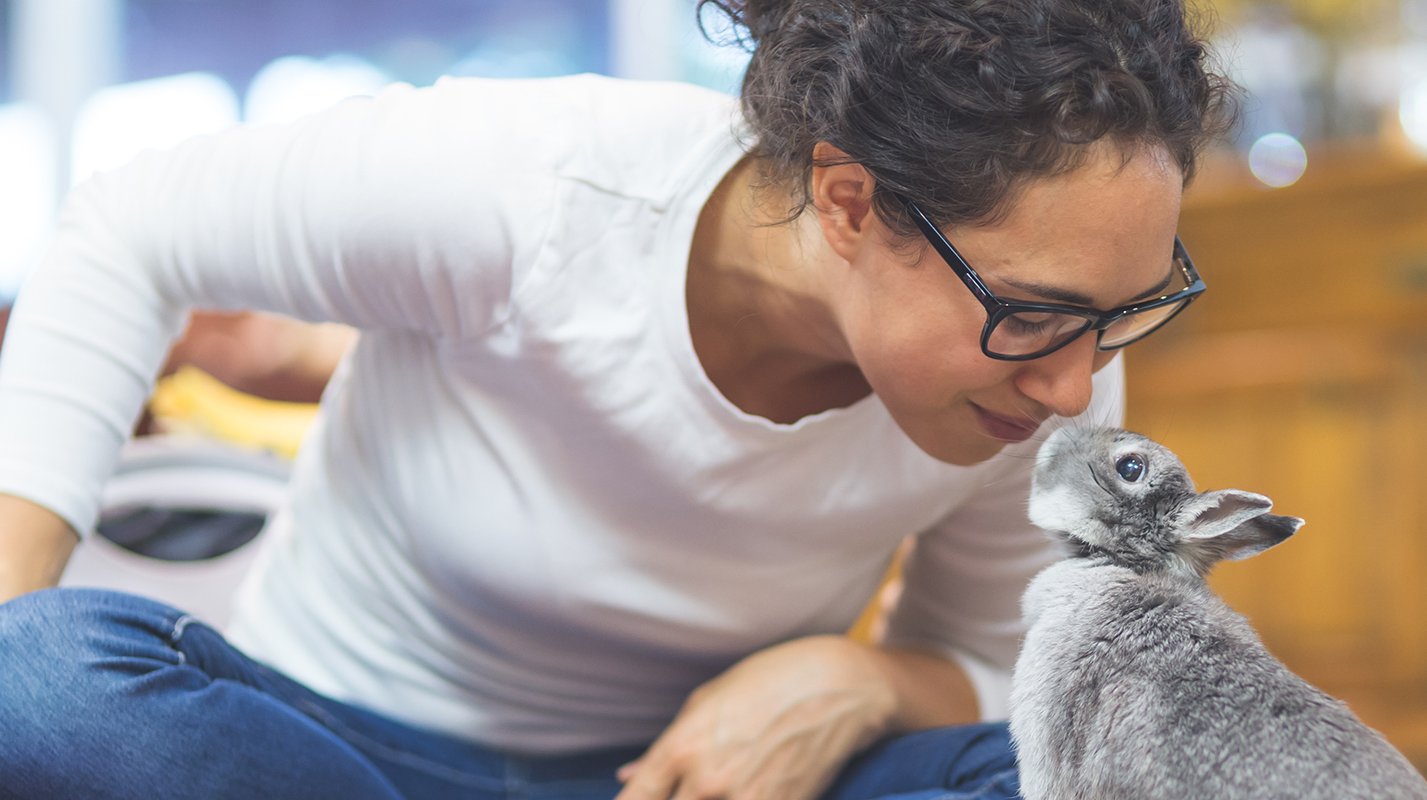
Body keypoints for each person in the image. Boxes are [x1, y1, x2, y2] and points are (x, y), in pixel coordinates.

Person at [0, 0, 1231, 798]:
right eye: (1032, 311)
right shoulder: (534, 189)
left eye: (1123, 312)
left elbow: (977, 656)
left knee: (1095, 752)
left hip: (684, 776)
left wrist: (849, 680)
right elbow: (129, 230)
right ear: (850, 203)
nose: (1074, 383)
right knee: (43, 675)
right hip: (325, 748)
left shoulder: (1053, 365)